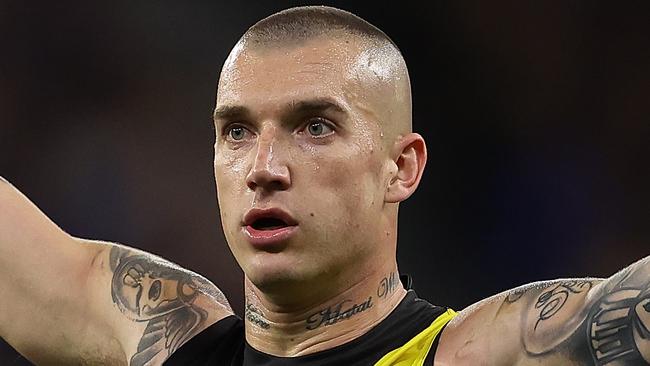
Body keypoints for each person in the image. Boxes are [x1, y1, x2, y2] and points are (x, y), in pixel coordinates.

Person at [0, 5, 648, 366]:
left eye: (314, 126)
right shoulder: (159, 340)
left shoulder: (482, 353)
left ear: (404, 167)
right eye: (236, 131)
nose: (264, 166)